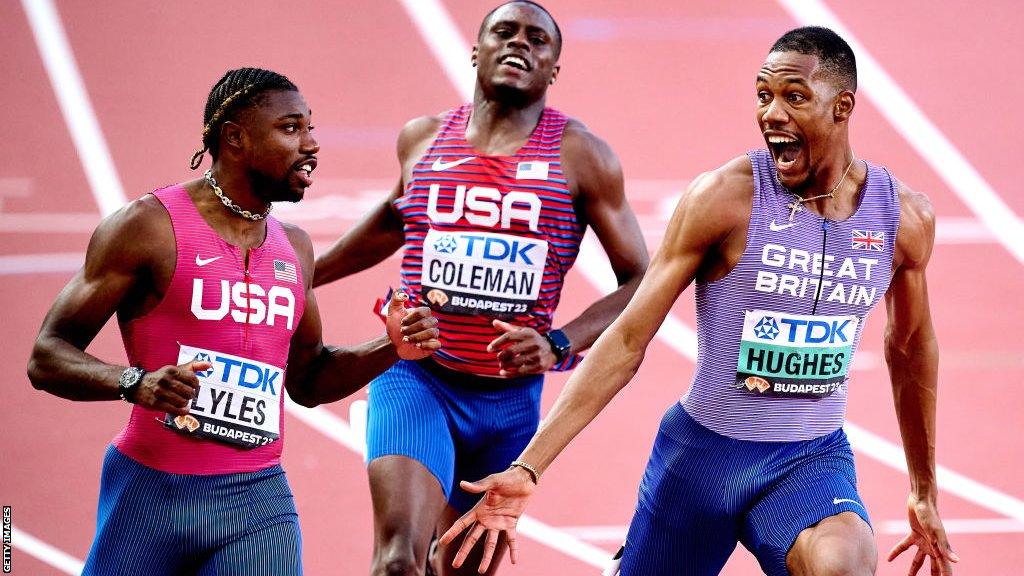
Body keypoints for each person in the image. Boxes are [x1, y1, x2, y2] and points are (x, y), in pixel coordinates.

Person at [441, 26, 959, 576]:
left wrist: (924, 489)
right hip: (700, 460)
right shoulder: (726, 198)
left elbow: (909, 349)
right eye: (764, 96)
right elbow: (627, 338)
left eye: (794, 97)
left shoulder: (902, 218)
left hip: (808, 463)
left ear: (843, 106)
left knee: (845, 567)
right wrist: (529, 468)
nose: (773, 114)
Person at [27, 67, 440, 576]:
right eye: (291, 129)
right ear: (236, 138)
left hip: (257, 503)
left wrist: (389, 347)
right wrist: (134, 382)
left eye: (310, 128)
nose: (311, 144)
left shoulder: (295, 247)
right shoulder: (147, 228)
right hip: (150, 494)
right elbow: (47, 354)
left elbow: (308, 379)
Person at [313, 2, 648, 574]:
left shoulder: (582, 156)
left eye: (538, 39)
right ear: (477, 51)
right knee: (398, 562)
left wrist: (560, 342)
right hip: (417, 378)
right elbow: (396, 221)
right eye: (505, 32)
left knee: (463, 569)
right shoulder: (423, 139)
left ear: (554, 69)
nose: (520, 44)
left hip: (508, 401)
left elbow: (641, 280)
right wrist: (304, 275)